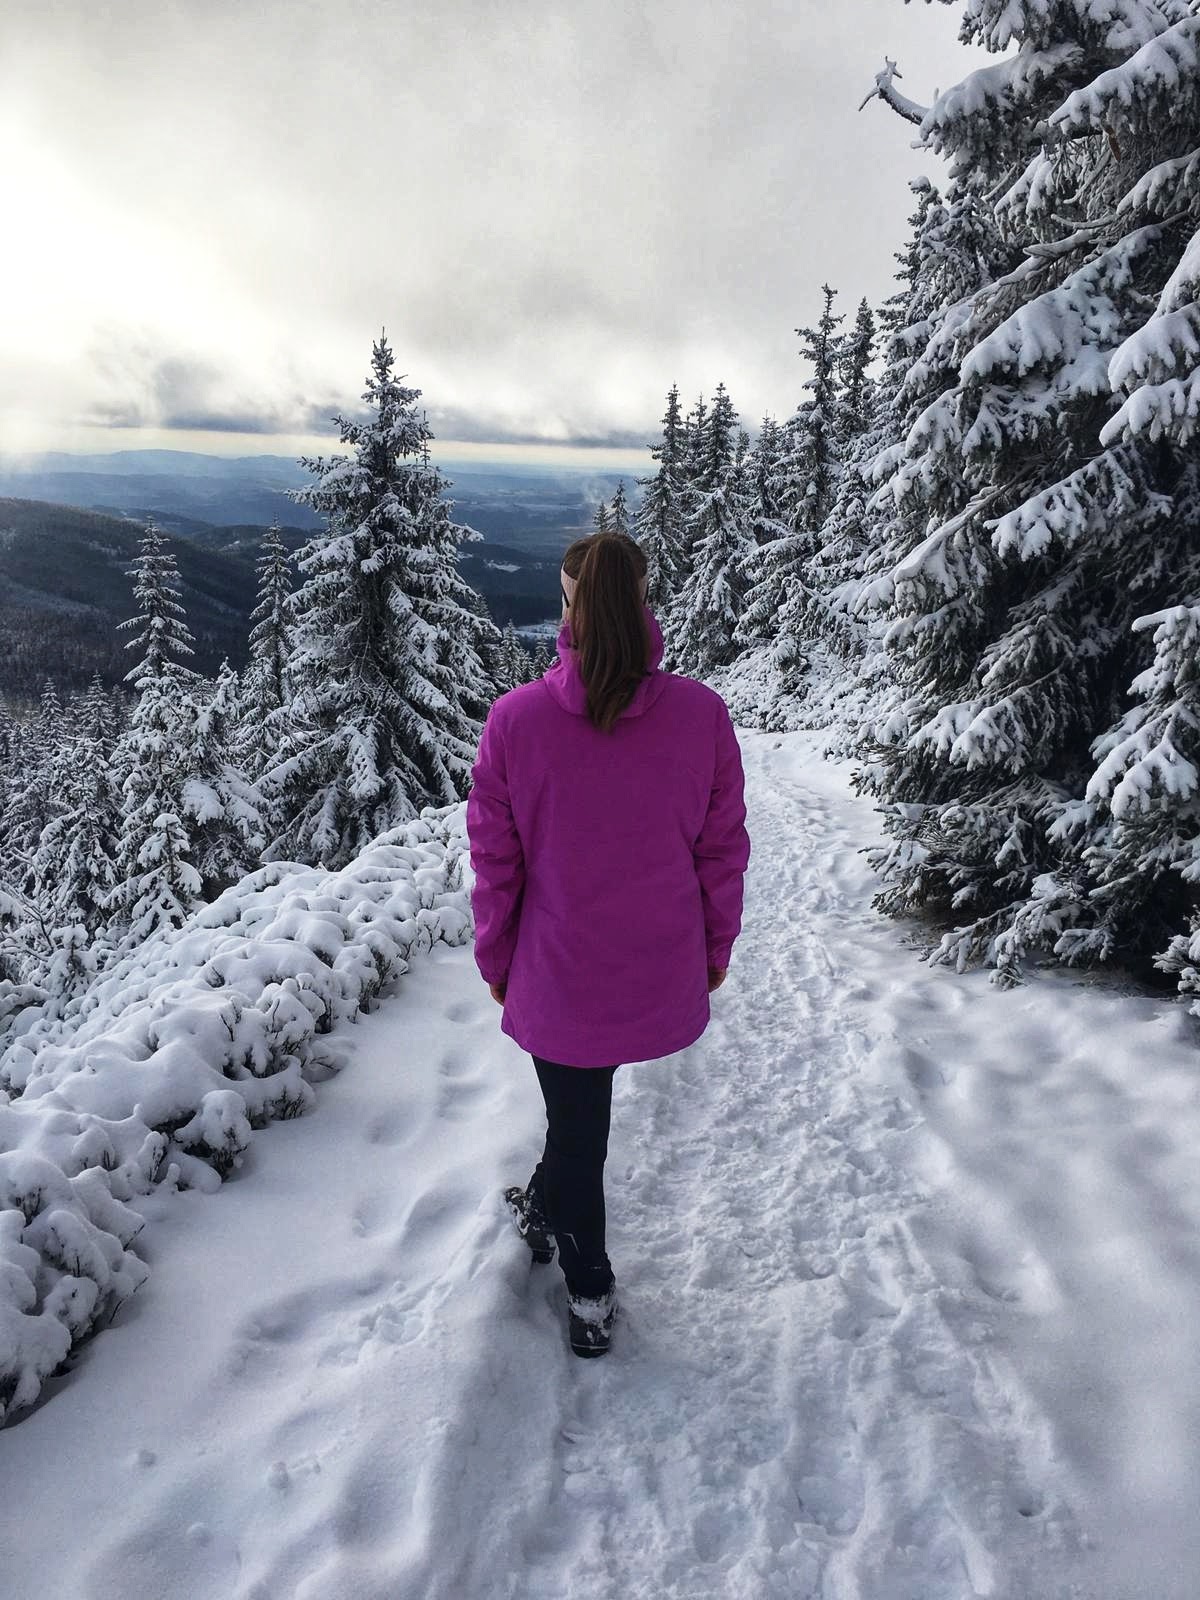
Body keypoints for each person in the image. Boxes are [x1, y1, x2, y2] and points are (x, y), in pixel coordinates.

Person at [465, 531, 751, 1357]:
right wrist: (715, 948)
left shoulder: (515, 722)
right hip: (658, 969)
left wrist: (495, 961)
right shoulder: (702, 715)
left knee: (579, 1128)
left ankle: (589, 1290)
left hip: (557, 975)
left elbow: (497, 861)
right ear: (643, 603)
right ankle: (542, 1204)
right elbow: (720, 847)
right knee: (580, 1125)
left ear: (570, 607)